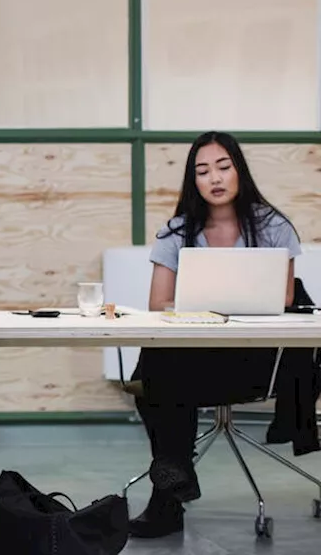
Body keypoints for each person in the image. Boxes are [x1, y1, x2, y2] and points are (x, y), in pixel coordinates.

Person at [128, 130, 301, 539]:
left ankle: (167, 495)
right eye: (203, 171)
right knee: (158, 363)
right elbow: (158, 303)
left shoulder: (272, 226)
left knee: (159, 378)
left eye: (224, 167)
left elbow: (286, 296)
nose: (215, 178)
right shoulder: (177, 231)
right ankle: (173, 484)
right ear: (194, 181)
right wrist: (204, 310)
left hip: (254, 361)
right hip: (193, 356)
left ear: (239, 171)